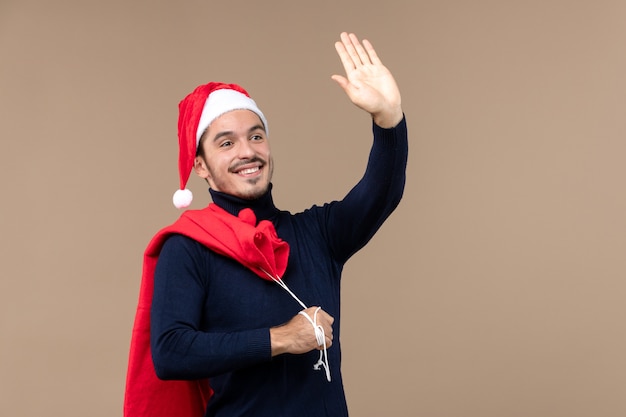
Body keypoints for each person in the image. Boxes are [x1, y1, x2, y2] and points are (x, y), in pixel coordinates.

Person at [124, 32, 408, 417]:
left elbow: (380, 194)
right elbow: (171, 351)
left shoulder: (317, 233)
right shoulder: (188, 248)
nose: (247, 151)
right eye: (226, 143)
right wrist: (282, 338)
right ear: (201, 166)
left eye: (256, 136)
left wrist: (388, 119)